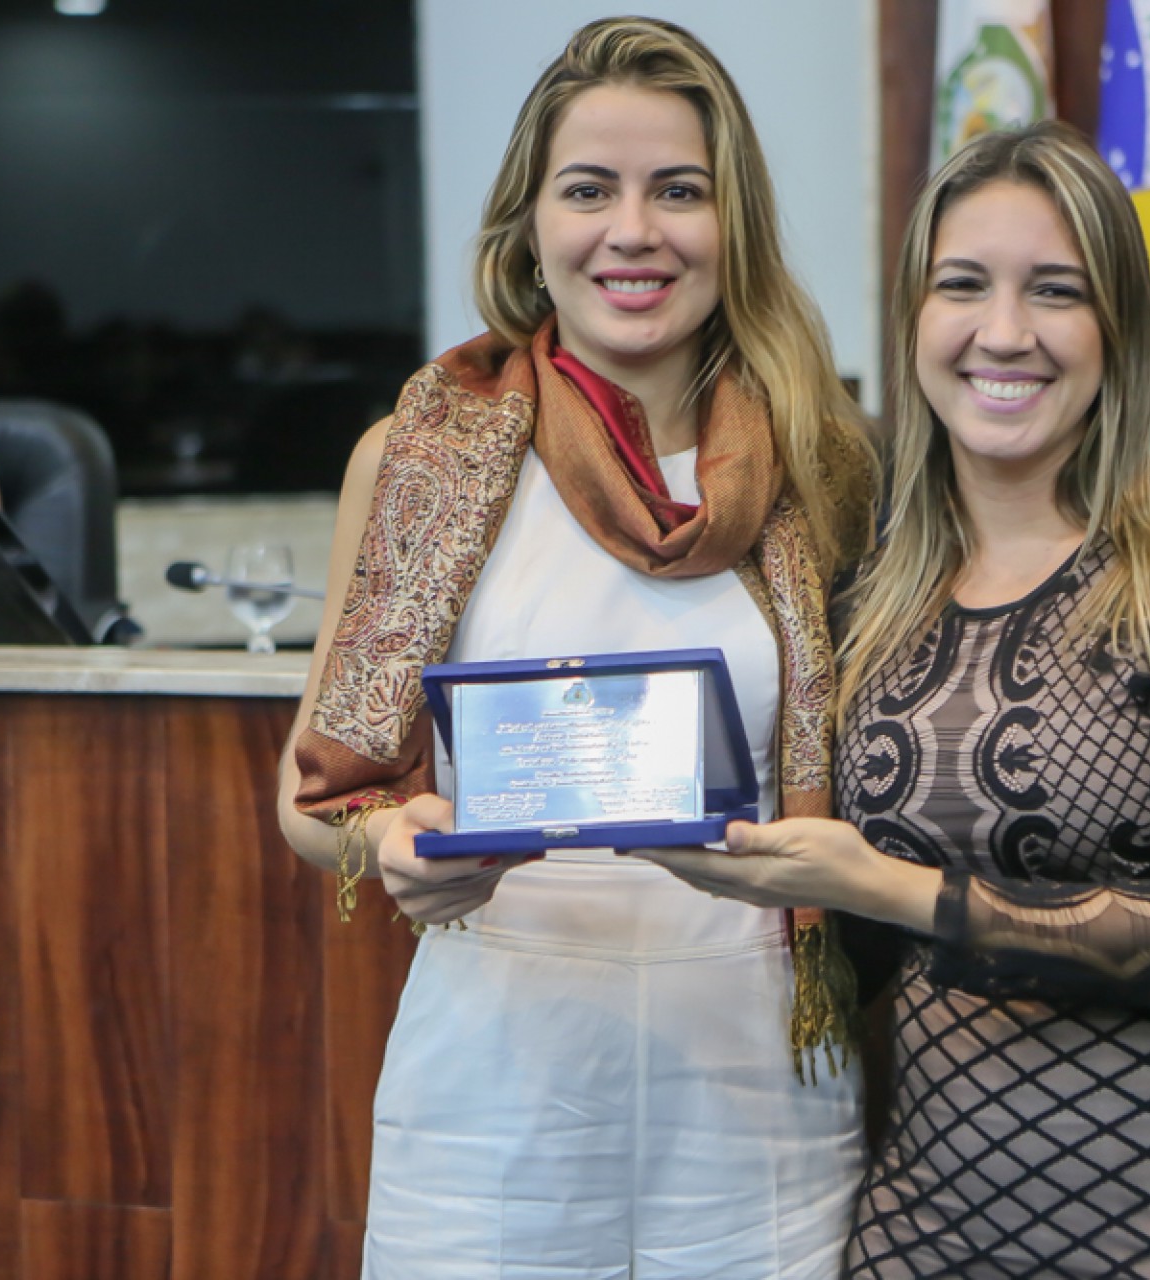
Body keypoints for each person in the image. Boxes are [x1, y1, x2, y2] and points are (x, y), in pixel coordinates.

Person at [641, 121, 1150, 1277]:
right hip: (938, 1223)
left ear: (1117, 328)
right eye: (963, 285)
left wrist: (880, 881)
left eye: (1056, 290)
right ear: (913, 319)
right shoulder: (860, 594)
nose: (1004, 332)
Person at [274, 17, 875, 1279]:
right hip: (495, 1078)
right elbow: (312, 800)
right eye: (589, 189)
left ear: (735, 223)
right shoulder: (420, 458)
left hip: (757, 1068)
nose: (633, 231)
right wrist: (393, 842)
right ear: (530, 224)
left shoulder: (826, 463)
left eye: (680, 191)